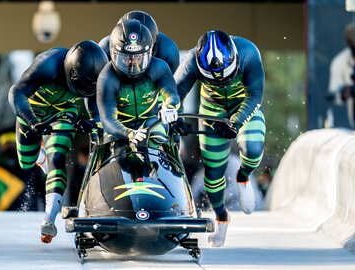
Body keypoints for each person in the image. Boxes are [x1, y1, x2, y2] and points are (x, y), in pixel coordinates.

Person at [8, 40, 108, 244]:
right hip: (33, 110)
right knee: (26, 163)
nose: (85, 91)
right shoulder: (48, 64)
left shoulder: (93, 81)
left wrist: (91, 123)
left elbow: (97, 110)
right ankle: (40, 157)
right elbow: (16, 92)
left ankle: (49, 219)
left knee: (58, 158)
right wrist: (33, 122)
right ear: (72, 74)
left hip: (64, 112)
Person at [175, 30, 266, 247]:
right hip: (212, 111)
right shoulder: (191, 62)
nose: (222, 81)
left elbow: (255, 95)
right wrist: (175, 117)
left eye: (227, 76)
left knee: (252, 149)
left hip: (243, 104)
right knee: (214, 171)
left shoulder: (249, 52)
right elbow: (174, 93)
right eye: (214, 78)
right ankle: (222, 218)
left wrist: (235, 122)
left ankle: (243, 177)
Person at [97, 19, 180, 150]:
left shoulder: (159, 67)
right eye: (125, 58)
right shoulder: (107, 77)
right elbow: (107, 119)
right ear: (113, 54)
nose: (133, 63)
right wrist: (129, 133)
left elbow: (171, 93)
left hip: (150, 123)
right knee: (112, 145)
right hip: (119, 130)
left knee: (158, 130)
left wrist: (169, 106)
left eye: (138, 58)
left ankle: (155, 163)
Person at [0, 131, 45, 211]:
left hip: (29, 213)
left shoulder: (31, 165)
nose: (10, 146)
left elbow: (42, 189)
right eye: (7, 143)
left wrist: (48, 210)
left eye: (13, 143)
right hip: (4, 215)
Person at [98, 10, 179, 74]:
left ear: (153, 46)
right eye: (127, 56)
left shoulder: (168, 52)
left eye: (137, 56)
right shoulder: (104, 50)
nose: (132, 61)